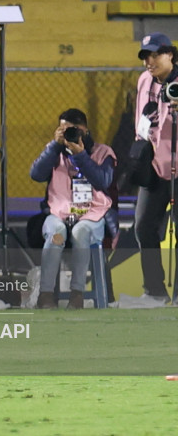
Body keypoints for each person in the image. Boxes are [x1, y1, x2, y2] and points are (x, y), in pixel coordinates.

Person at [30, 109, 116, 310]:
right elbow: (36, 174)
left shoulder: (103, 152)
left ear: (85, 130)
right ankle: (46, 294)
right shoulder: (55, 152)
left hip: (91, 215)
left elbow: (103, 180)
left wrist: (81, 155)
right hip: (58, 213)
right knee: (56, 234)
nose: (69, 134)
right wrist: (54, 146)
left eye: (74, 130)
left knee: (81, 232)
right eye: (64, 129)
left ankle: (77, 294)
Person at [132, 32, 178, 303]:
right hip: (155, 166)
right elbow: (141, 121)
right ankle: (154, 290)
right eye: (145, 56)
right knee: (143, 227)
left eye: (155, 54)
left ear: (170, 54)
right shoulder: (144, 80)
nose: (149, 61)